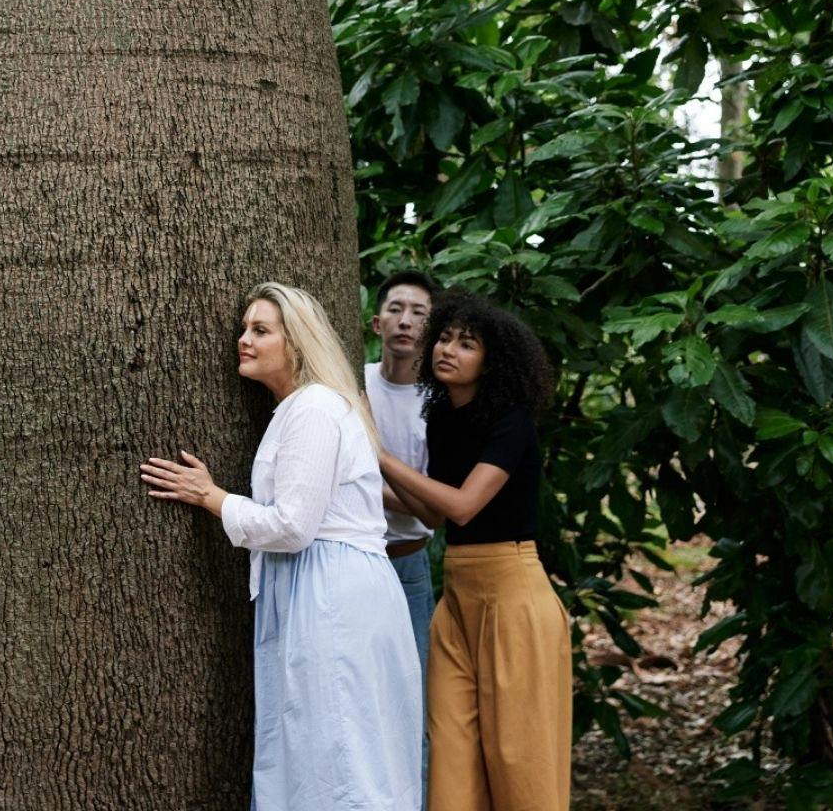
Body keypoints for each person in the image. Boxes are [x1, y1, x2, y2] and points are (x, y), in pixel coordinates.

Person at [140, 282, 421, 811]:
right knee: (321, 748)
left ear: (296, 344)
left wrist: (213, 497)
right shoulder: (299, 409)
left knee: (339, 751)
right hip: (317, 588)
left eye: (260, 330)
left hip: (331, 595)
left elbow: (293, 527)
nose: (243, 340)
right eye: (245, 328)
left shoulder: (315, 407)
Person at [377, 290, 570, 811]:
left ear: (492, 360)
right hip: (459, 598)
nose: (448, 350)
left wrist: (379, 455)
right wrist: (357, 478)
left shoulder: (512, 422)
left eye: (467, 344)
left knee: (518, 758)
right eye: (444, 338)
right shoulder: (442, 418)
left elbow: (462, 506)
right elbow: (433, 514)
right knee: (453, 755)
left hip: (513, 599)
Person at [366, 269, 438, 799]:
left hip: (410, 565)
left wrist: (366, 479)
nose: (405, 320)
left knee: (411, 704)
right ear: (375, 322)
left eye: (418, 312)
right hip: (351, 559)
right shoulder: (354, 385)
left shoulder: (439, 405)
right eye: (395, 308)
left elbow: (435, 511)